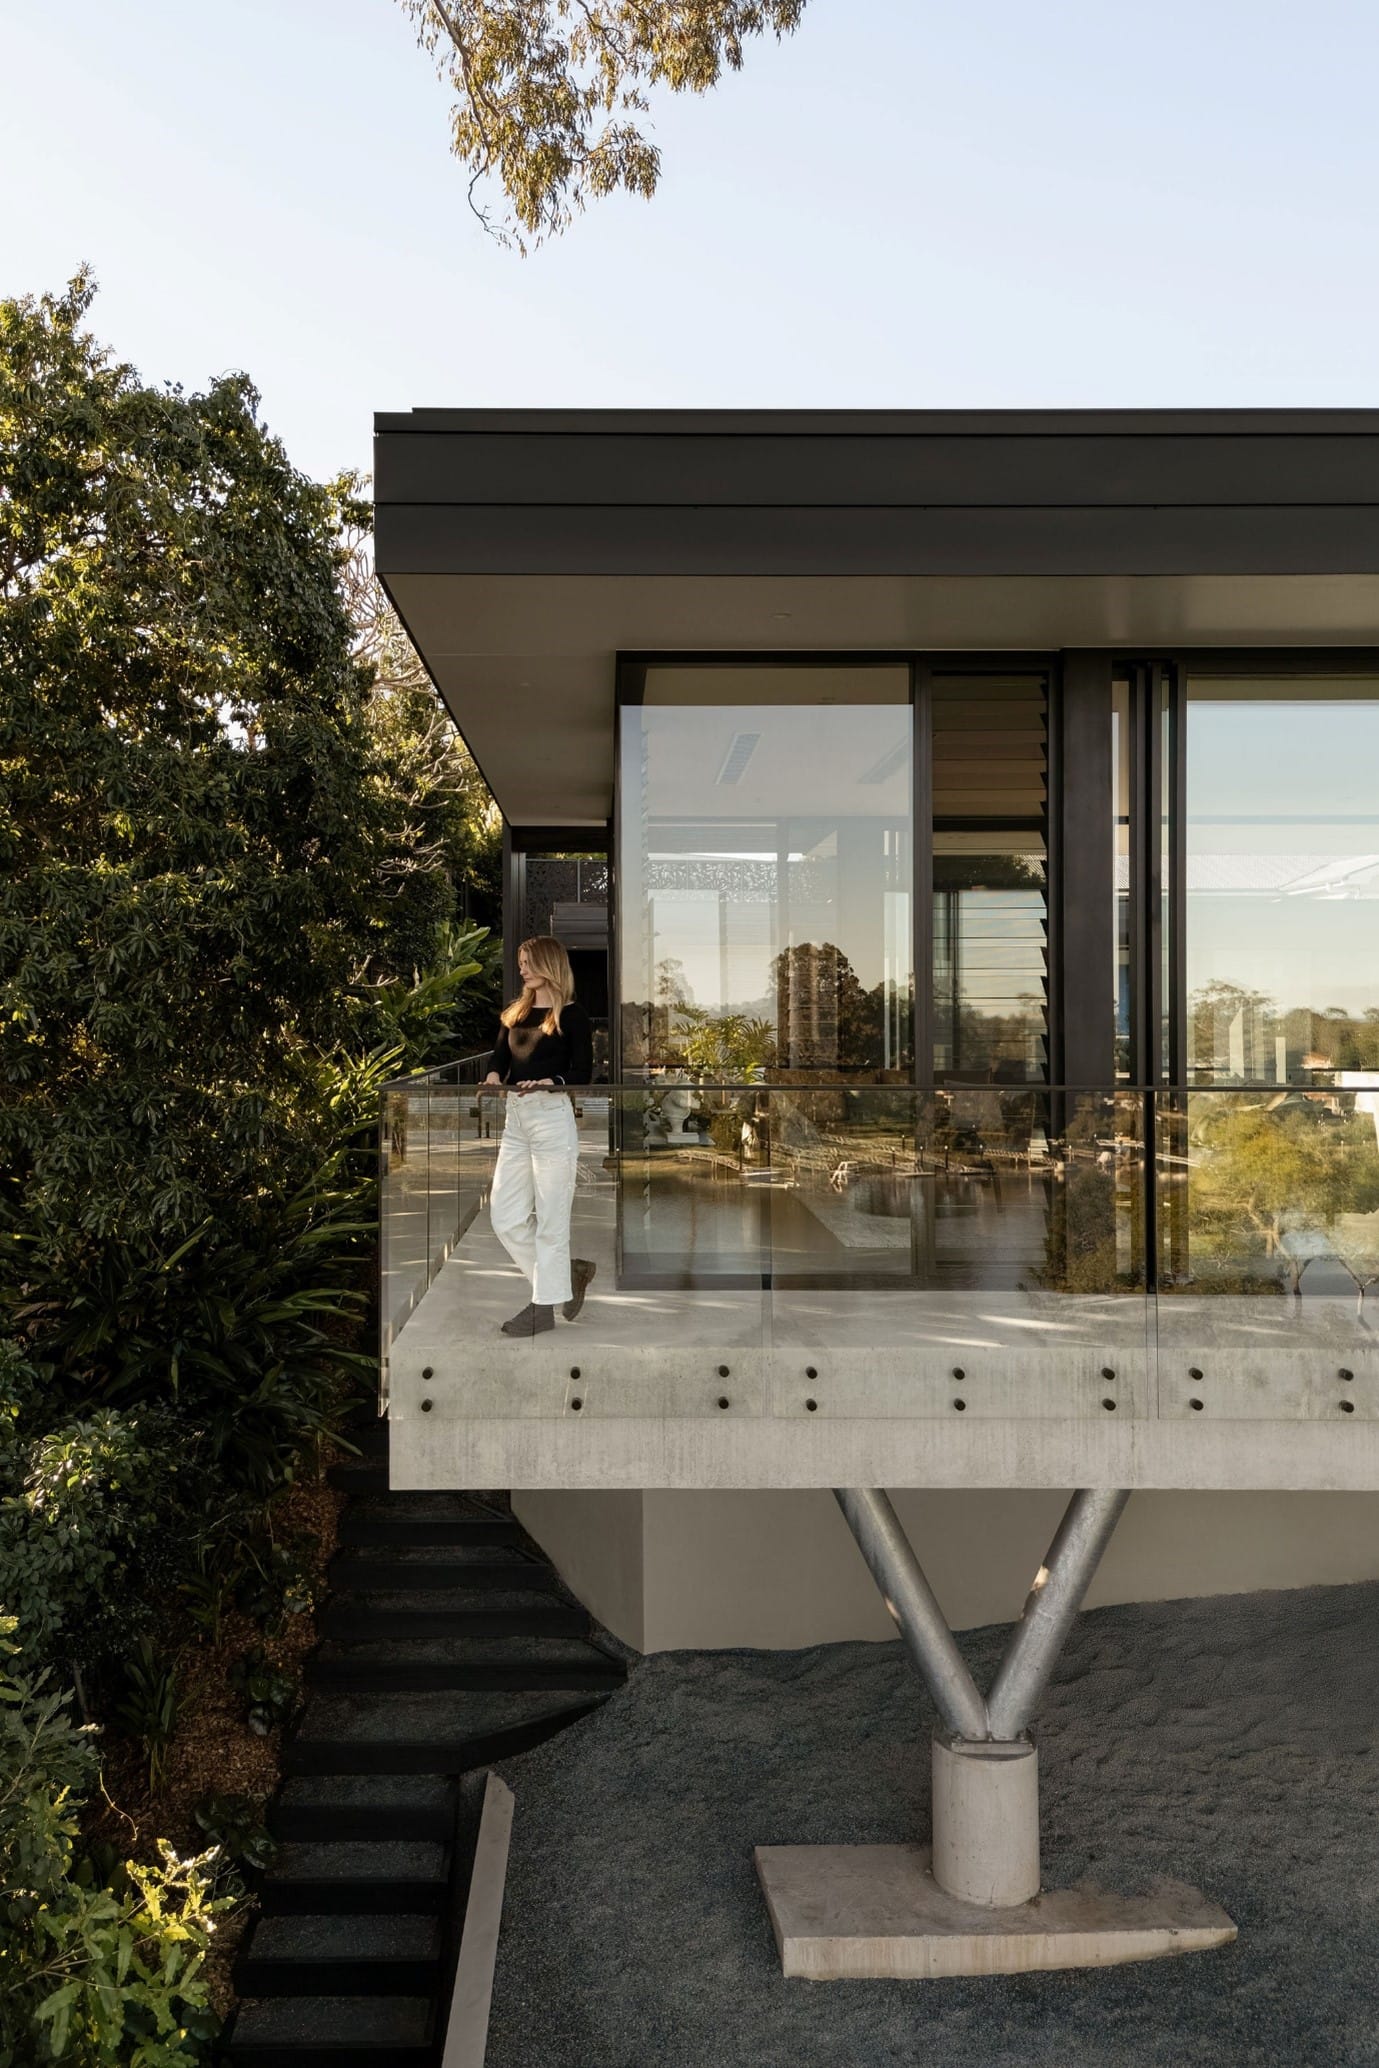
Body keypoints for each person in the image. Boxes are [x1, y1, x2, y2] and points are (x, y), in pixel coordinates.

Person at [482, 936, 596, 1337]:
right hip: (517, 1120)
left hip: (551, 1118)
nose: (522, 968)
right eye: (521, 961)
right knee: (505, 1216)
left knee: (550, 1221)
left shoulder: (573, 1016)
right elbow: (498, 1061)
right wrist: (495, 1076)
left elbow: (584, 1071)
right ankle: (566, 1274)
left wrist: (553, 1081)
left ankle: (541, 1309)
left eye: (528, 961)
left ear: (549, 964)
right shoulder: (514, 1014)